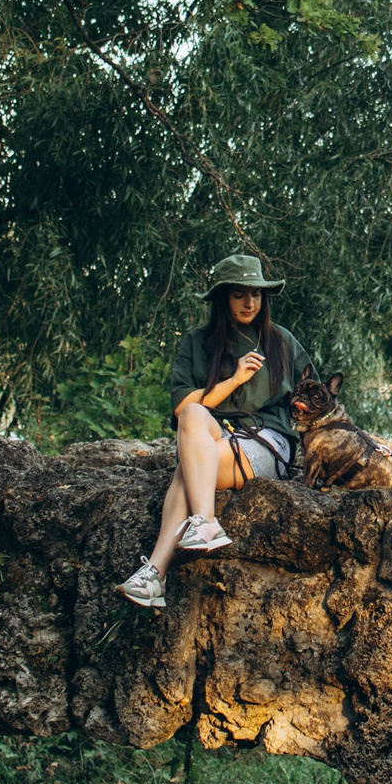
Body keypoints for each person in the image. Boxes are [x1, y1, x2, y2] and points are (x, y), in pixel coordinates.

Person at [117, 253, 317, 607]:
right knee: (194, 411)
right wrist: (235, 379)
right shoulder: (197, 342)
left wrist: (355, 439)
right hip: (216, 435)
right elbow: (181, 408)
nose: (249, 302)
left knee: (188, 470)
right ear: (223, 297)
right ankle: (203, 523)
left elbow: (316, 396)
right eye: (239, 293)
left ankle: (156, 572)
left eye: (256, 294)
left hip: (266, 441)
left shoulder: (281, 341)